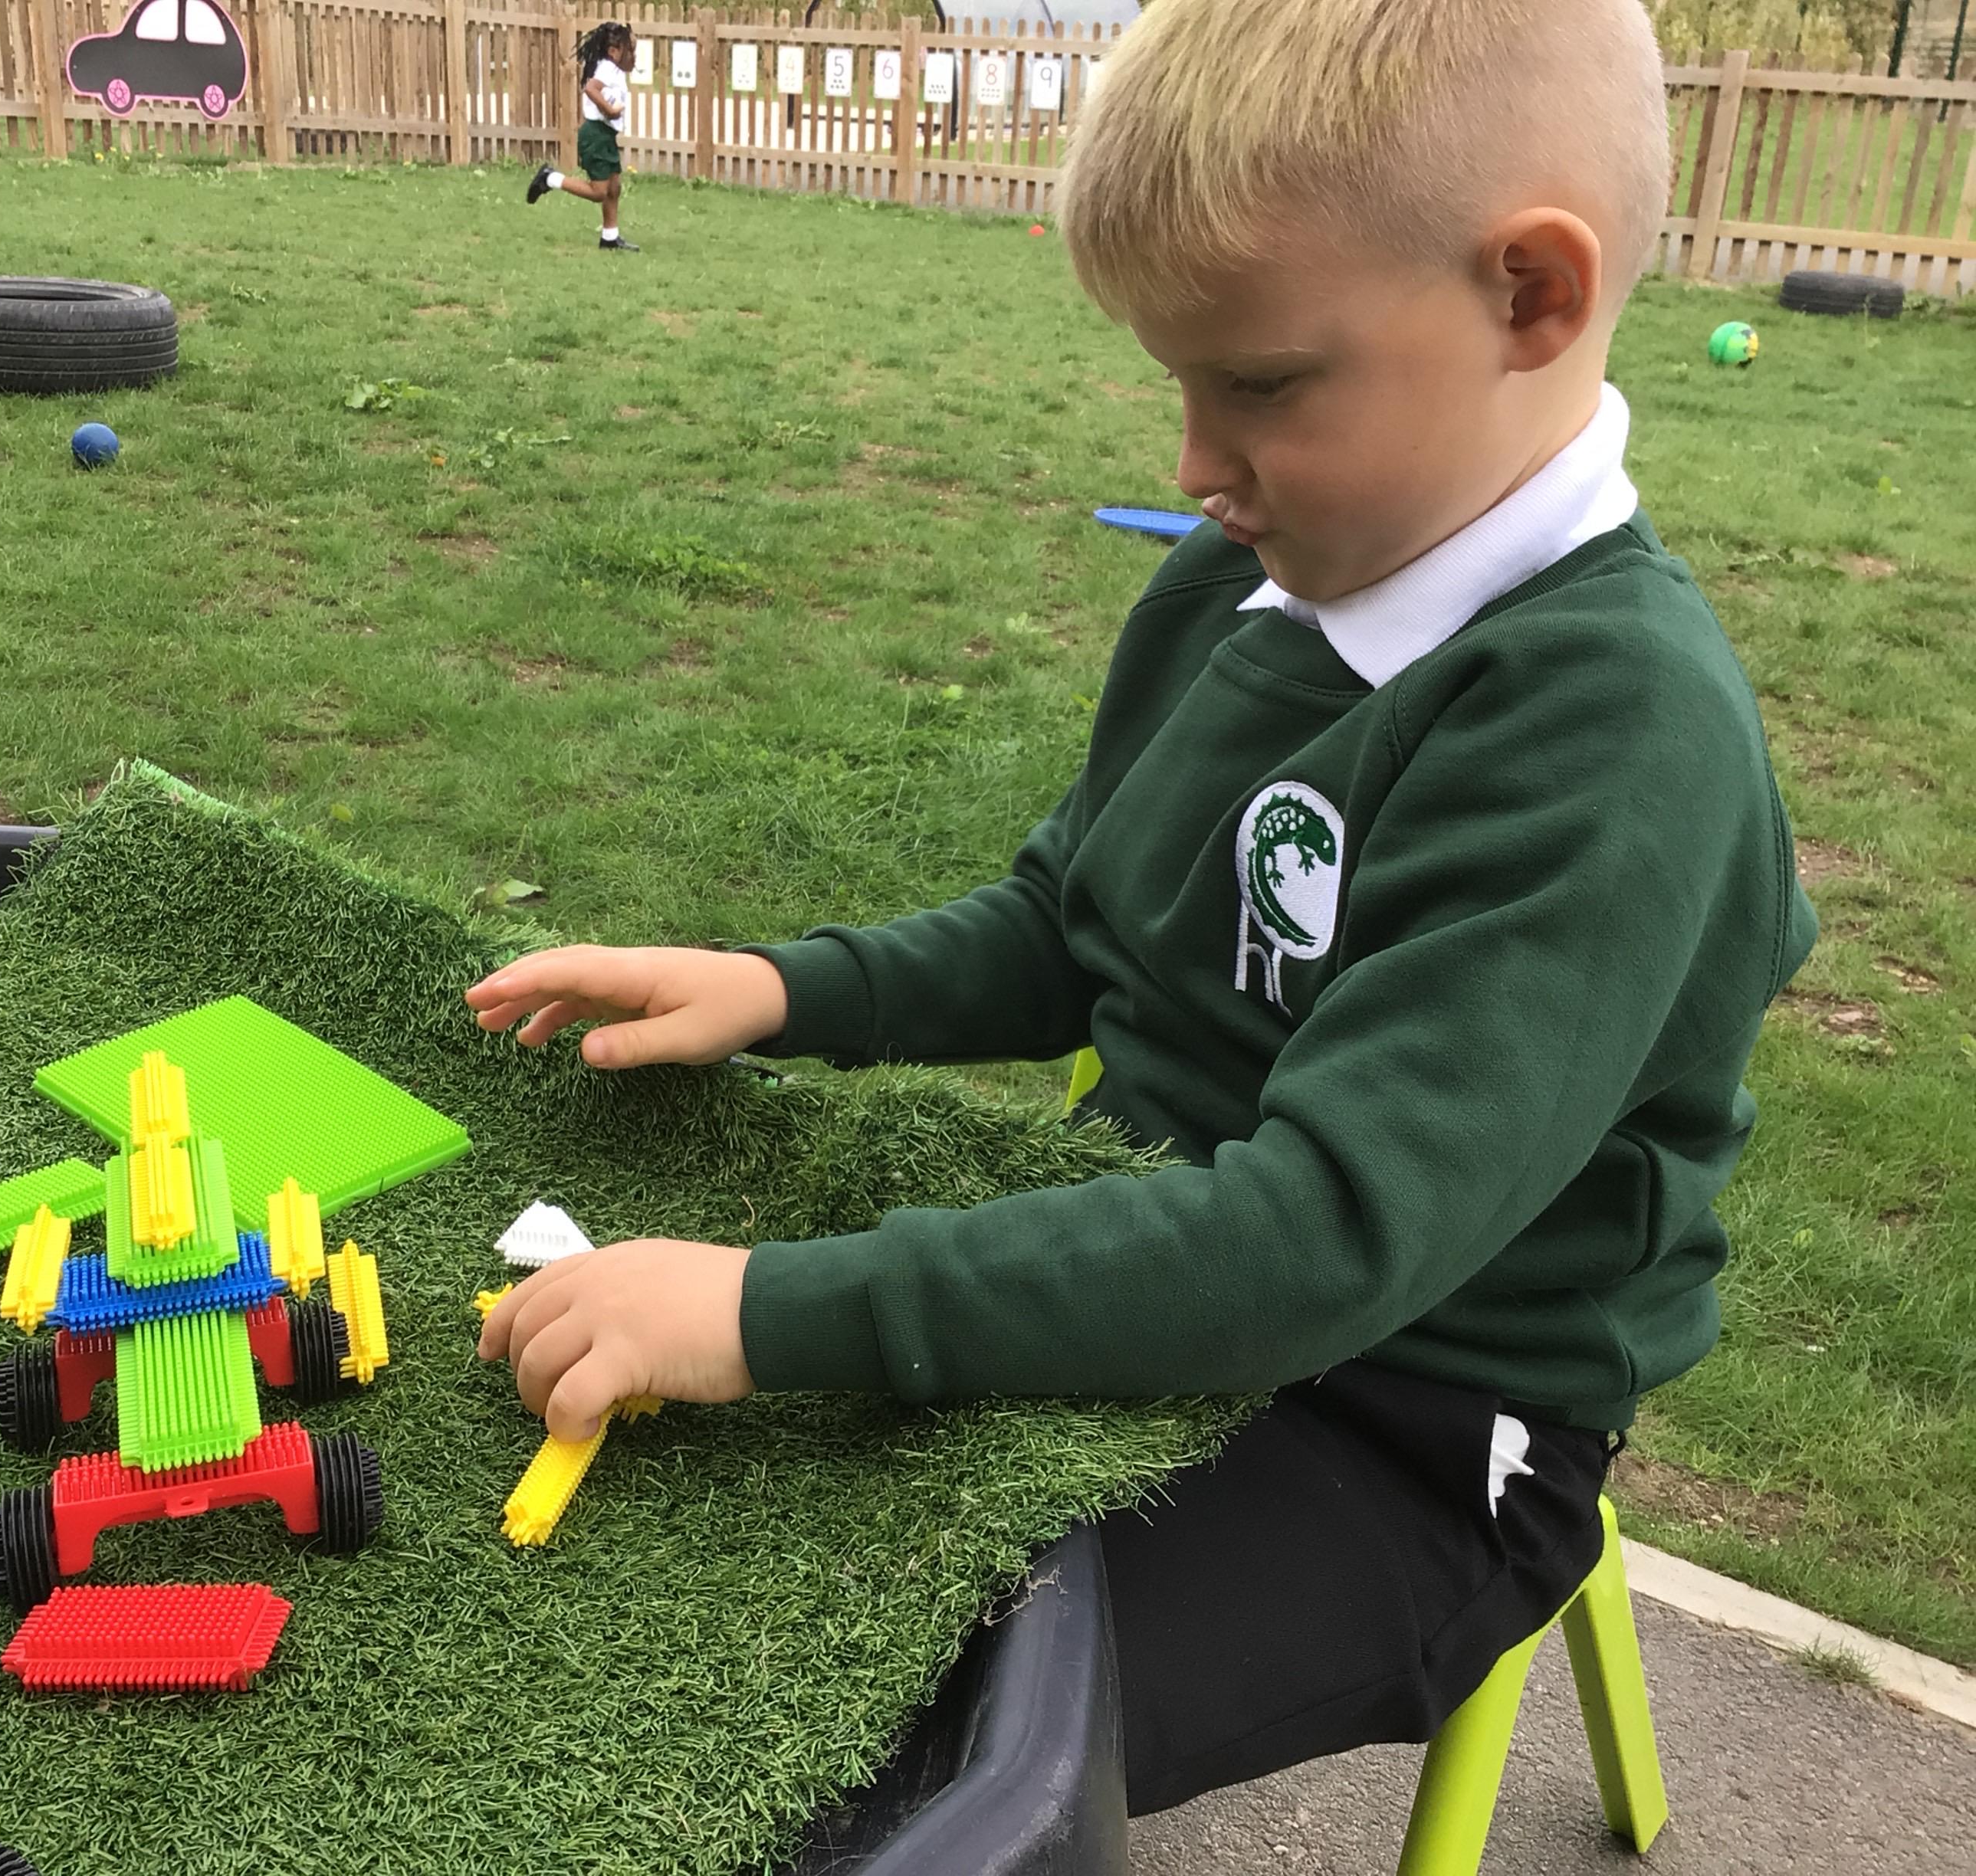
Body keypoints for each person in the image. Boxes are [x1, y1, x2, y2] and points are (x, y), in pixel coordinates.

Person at [469, 0, 1816, 1814]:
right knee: (663, 1591)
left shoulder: (1616, 727)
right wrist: (781, 988)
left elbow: (1319, 1239)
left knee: (862, 1753)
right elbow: (1073, 923)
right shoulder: (1247, 578)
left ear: (1530, 297)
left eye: (1258, 384)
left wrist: (764, 1310)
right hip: (1148, 1266)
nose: (1193, 464)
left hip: (1406, 1426)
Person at [527, 22, 638, 252]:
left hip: (605, 135)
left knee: (614, 188)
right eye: (631, 51)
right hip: (596, 135)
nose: (634, 56)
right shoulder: (607, 69)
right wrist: (609, 110)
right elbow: (590, 89)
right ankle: (550, 179)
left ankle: (610, 238)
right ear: (614, 52)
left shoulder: (615, 70)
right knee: (599, 192)